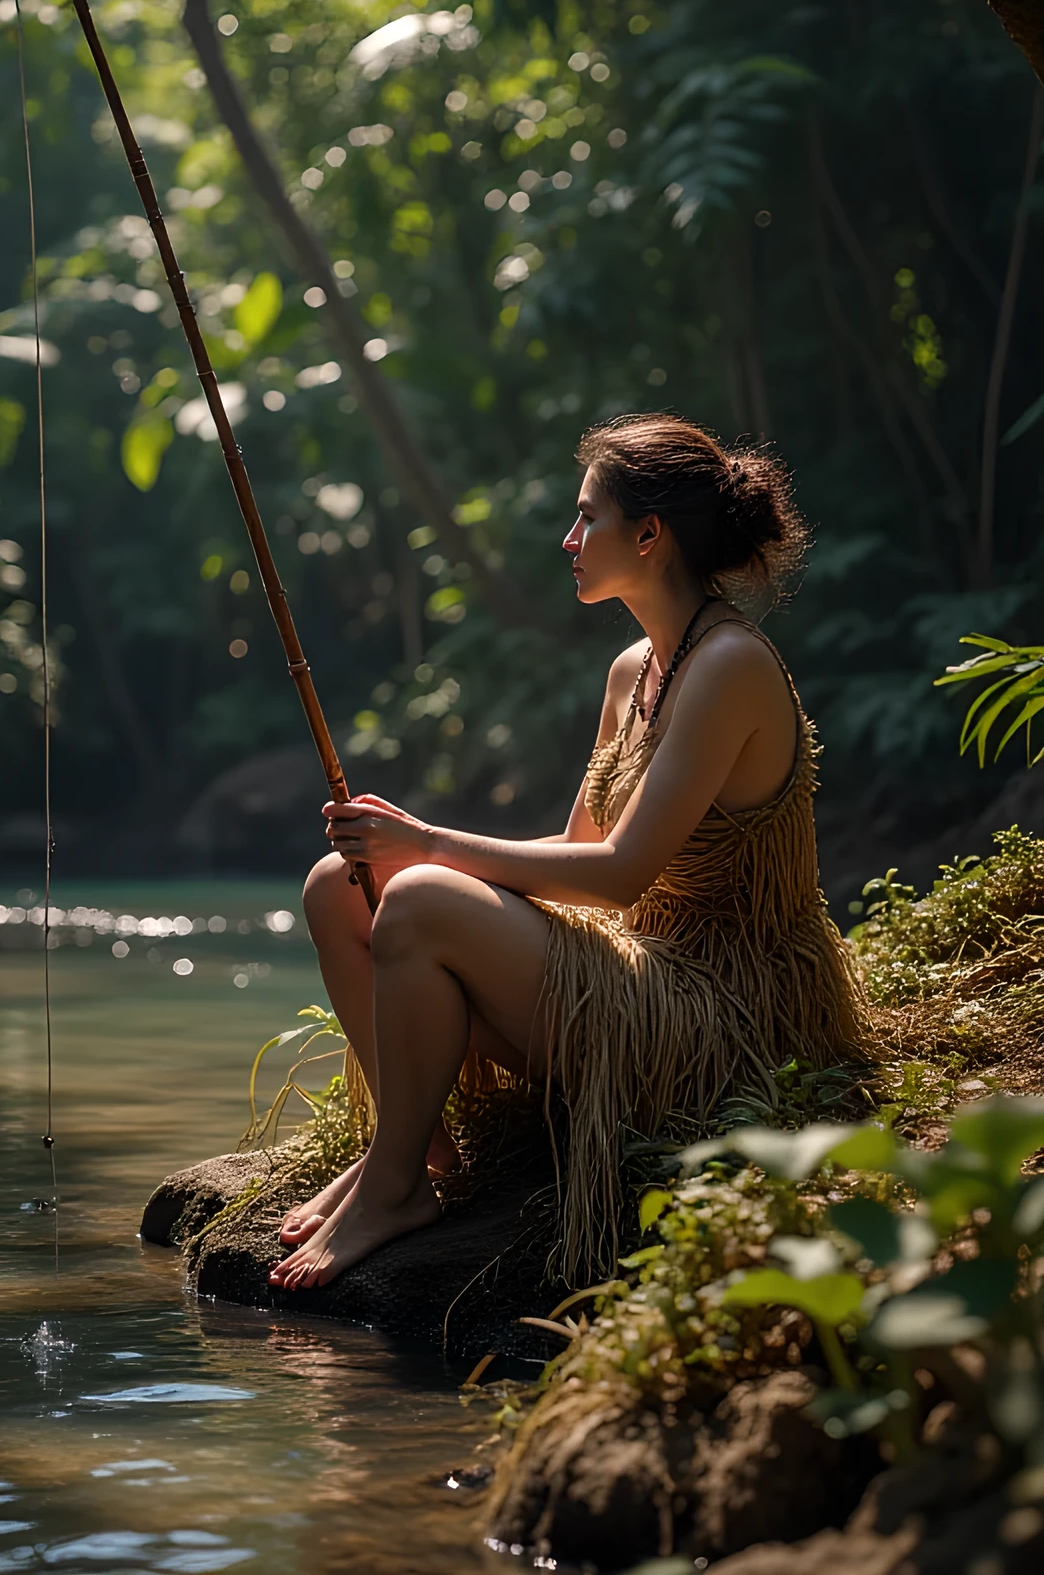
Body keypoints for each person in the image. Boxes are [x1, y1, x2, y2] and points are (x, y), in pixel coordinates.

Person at [269, 413, 868, 1293]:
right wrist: (400, 849)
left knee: (423, 897)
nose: (569, 538)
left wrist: (430, 850)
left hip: (720, 1013)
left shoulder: (731, 665)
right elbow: (576, 852)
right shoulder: (636, 669)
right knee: (339, 885)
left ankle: (391, 1192)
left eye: (588, 516)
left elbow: (621, 873)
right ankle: (409, 1155)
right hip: (641, 974)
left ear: (650, 534)